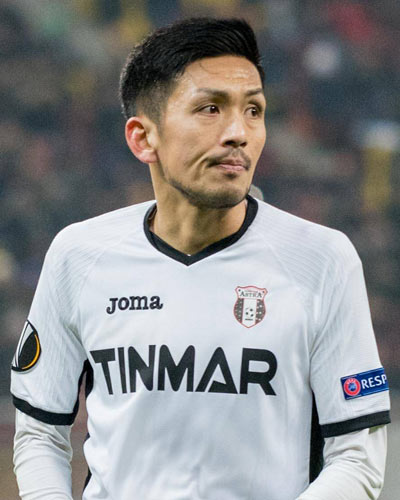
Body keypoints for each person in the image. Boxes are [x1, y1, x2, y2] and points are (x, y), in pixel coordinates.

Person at [11, 17, 390, 500]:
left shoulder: (323, 259)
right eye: (211, 108)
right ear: (143, 138)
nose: (239, 132)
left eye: (253, 110)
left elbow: (358, 455)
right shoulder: (79, 255)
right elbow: (39, 433)